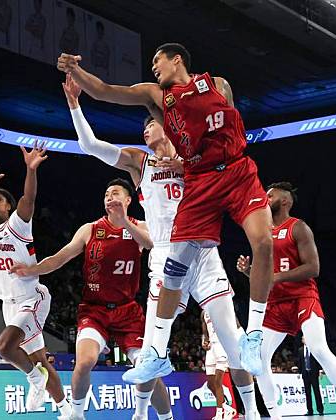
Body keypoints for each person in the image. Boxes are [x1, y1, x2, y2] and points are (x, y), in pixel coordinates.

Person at [57, 42, 273, 378]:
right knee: (169, 280)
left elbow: (227, 126)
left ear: (177, 60)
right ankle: (155, 358)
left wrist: (185, 162)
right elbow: (105, 94)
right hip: (176, 230)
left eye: (157, 60)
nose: (153, 67)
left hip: (221, 199)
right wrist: (76, 76)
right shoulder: (145, 145)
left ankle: (254, 354)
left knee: (235, 328)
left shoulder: (212, 96)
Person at [10, 179, 169, 420]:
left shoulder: (140, 227)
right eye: (106, 194)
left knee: (146, 368)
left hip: (128, 312)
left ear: (128, 200)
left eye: (115, 193)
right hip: (94, 311)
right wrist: (32, 270)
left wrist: (124, 221)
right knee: (84, 363)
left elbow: (152, 245)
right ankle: (76, 414)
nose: (109, 197)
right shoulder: (90, 229)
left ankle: (166, 417)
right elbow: (60, 257)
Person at [237, 182, 336, 420]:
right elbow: (266, 275)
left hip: (302, 296)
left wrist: (276, 277)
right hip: (275, 302)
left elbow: (313, 267)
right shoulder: (262, 232)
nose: (266, 197)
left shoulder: (298, 228)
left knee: (318, 347)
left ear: (285, 201)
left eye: (271, 194)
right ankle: (274, 415)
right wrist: (250, 272)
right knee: (259, 359)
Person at [0, 147, 71, 417]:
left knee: (4, 346)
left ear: (9, 207)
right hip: (9, 305)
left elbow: (29, 198)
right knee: (39, 359)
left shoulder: (17, 226)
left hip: (32, 298)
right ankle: (67, 409)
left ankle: (35, 381)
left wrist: (31, 169)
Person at [201, 309, 236, 420]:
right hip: (211, 348)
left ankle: (219, 414)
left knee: (218, 381)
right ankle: (227, 408)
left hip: (222, 344)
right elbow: (205, 333)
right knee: (210, 384)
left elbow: (233, 325)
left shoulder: (221, 305)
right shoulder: (203, 313)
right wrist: (204, 341)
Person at [299, 337, 323, 416]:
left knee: (316, 391)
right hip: (305, 374)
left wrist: (320, 370)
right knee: (307, 393)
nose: (304, 340)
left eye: (305, 338)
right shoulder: (300, 350)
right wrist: (300, 372)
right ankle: (310, 410)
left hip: (314, 373)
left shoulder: (313, 349)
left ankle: (320, 410)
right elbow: (300, 362)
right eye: (303, 339)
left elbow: (318, 359)